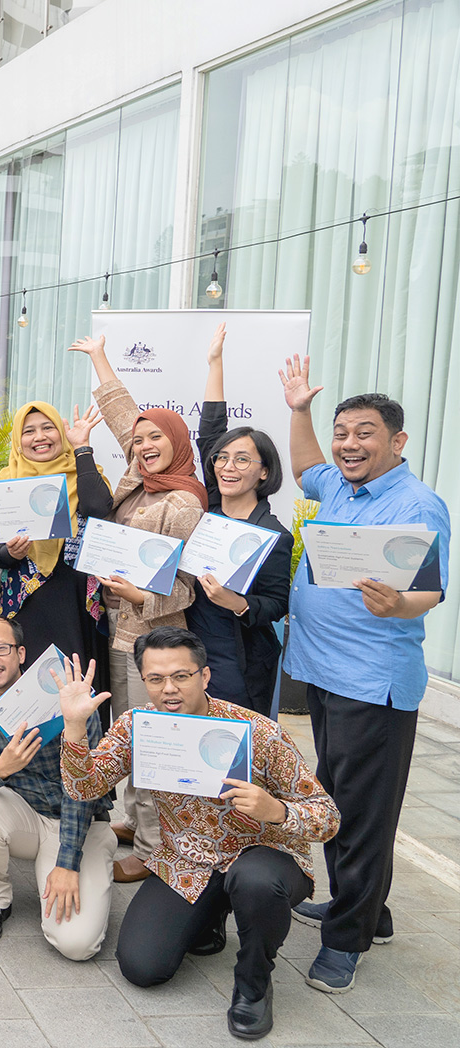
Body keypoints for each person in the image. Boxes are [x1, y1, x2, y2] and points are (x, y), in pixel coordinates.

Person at [60, 627, 339, 1041]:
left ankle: (254, 985)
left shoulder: (258, 733)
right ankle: (210, 918)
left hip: (266, 856)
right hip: (187, 862)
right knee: (142, 967)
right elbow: (84, 787)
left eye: (181, 676)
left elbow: (327, 817)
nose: (168, 689)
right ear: (143, 681)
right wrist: (74, 727)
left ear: (204, 677)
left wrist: (276, 810)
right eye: (155, 679)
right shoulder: (138, 726)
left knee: (254, 881)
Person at [277, 361, 449, 992]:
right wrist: (300, 408)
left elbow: (427, 592)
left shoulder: (417, 503)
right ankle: (367, 911)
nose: (348, 444)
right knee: (336, 795)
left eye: (364, 433)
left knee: (362, 812)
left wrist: (396, 604)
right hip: (321, 672)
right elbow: (304, 469)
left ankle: (346, 939)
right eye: (343, 431)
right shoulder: (342, 487)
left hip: (371, 680)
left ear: (397, 442)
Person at [71, 335, 208, 884]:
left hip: (151, 641)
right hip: (116, 631)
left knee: (149, 739)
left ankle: (153, 850)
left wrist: (138, 597)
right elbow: (124, 416)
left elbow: (188, 587)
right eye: (141, 439)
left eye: (157, 438)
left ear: (178, 443)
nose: (146, 444)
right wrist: (101, 357)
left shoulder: (184, 500)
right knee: (127, 732)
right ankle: (137, 819)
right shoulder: (139, 481)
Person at [0, 615, 115, 958]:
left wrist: (67, 863)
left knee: (77, 945)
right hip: (27, 821)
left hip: (82, 823)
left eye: (1, 648)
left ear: (21, 654)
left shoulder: (68, 700)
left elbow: (85, 790)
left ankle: (93, 862)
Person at [186, 326, 292, 715]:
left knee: (234, 747)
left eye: (243, 459)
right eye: (222, 459)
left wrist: (238, 603)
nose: (228, 467)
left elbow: (277, 604)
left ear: (264, 472)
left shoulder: (273, 534)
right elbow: (210, 432)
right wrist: (215, 364)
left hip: (238, 655)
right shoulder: (209, 506)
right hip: (190, 646)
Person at [0, 400, 114, 679]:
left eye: (48, 428)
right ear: (18, 440)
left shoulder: (84, 471)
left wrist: (82, 448)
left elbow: (98, 507)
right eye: (29, 431)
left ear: (61, 432)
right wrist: (12, 553)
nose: (40, 437)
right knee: (29, 683)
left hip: (77, 600)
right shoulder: (6, 480)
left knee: (80, 681)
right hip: (27, 605)